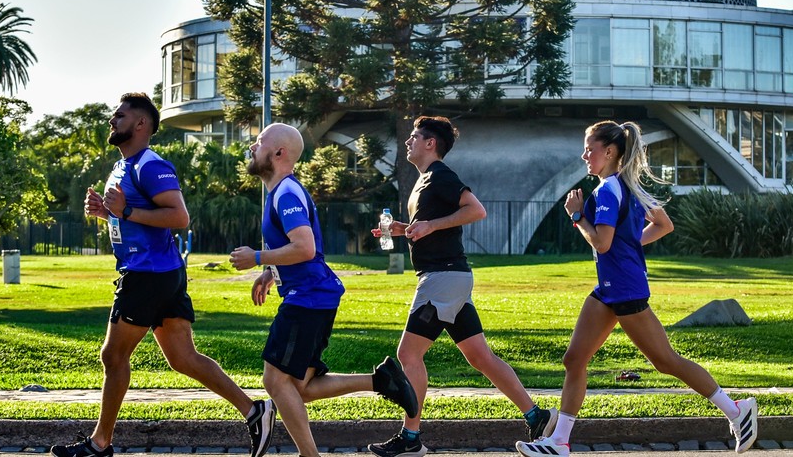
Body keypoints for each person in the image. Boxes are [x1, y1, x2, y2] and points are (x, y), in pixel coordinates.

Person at [514, 121, 758, 456]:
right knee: (574, 359)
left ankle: (736, 410)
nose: (584, 155)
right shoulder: (625, 186)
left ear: (608, 151)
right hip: (609, 289)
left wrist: (576, 216)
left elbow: (602, 243)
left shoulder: (608, 191)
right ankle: (559, 441)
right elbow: (663, 225)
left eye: (589, 149)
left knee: (666, 361)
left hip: (625, 290)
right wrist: (628, 246)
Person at [51, 93, 275, 457]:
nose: (112, 120)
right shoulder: (122, 166)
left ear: (141, 124)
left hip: (147, 275)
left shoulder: (151, 166)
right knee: (183, 357)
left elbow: (179, 217)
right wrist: (106, 213)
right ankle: (255, 411)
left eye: (120, 116)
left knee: (113, 356)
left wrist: (125, 212)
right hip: (159, 272)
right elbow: (131, 216)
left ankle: (99, 444)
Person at [368, 116, 555, 457]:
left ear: (430, 144)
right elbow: (429, 226)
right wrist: (404, 228)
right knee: (479, 356)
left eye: (414, 137)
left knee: (408, 355)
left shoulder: (441, 175)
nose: (408, 141)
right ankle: (536, 415)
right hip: (450, 278)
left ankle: (411, 437)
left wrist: (431, 225)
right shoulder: (424, 181)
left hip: (442, 277)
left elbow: (476, 210)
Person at [229, 123, 419, 457]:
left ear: (279, 153)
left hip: (308, 298)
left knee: (274, 381)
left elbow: (305, 248)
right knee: (300, 387)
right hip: (312, 295)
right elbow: (301, 249)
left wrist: (256, 257)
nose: (252, 147)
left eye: (259, 142)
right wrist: (272, 272)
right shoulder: (281, 192)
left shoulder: (286, 193)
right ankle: (381, 381)